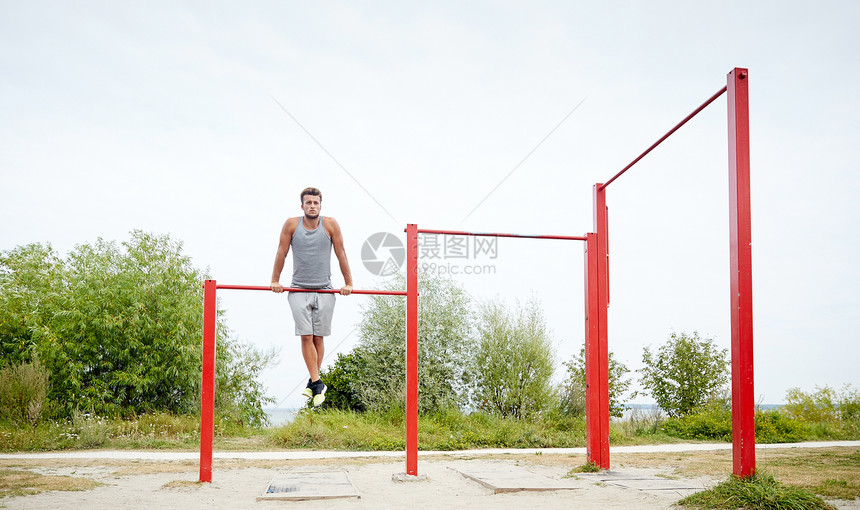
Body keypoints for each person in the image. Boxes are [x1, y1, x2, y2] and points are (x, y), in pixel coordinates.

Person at [270, 187, 353, 406]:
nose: (312, 206)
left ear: (320, 205)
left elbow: (341, 253)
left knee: (318, 337)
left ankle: (313, 384)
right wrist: (275, 280)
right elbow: (281, 252)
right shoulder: (291, 224)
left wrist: (348, 283)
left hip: (325, 289)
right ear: (302, 206)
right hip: (298, 289)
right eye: (308, 203)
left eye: (316, 203)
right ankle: (317, 382)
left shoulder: (330, 225)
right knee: (306, 335)